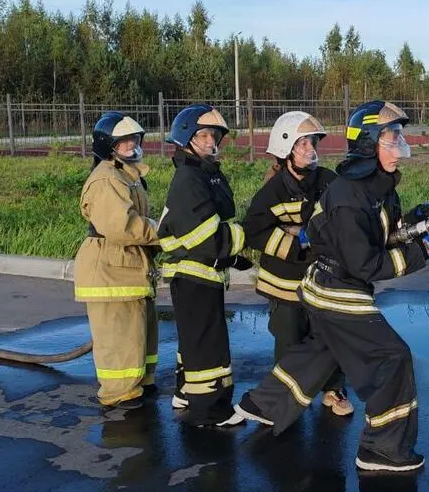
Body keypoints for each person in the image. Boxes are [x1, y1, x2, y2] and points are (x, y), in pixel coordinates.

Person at [234, 100, 429, 473]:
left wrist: (417, 222)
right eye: (391, 137)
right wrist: (420, 252)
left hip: (328, 284)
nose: (400, 146)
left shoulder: (376, 186)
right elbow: (365, 263)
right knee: (392, 357)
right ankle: (382, 449)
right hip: (337, 289)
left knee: (324, 349)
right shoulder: (349, 194)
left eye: (399, 136)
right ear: (368, 143)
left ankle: (262, 404)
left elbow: (378, 236)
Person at [241, 110, 352, 417]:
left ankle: (333, 389)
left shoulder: (329, 182)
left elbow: (342, 217)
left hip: (323, 277)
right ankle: (282, 398)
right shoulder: (273, 191)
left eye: (312, 142)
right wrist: (295, 242)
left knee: (329, 334)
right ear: (285, 149)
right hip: (284, 282)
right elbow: (254, 231)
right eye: (302, 144)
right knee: (289, 341)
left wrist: (305, 231)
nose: (310, 150)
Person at [157, 103, 252, 427]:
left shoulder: (202, 173)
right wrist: (245, 235)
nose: (212, 142)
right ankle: (212, 409)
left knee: (194, 340)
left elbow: (209, 224)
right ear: (186, 138)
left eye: (215, 136)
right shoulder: (189, 178)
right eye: (204, 135)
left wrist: (232, 258)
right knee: (207, 345)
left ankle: (185, 392)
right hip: (194, 273)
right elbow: (205, 236)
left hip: (200, 272)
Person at [73, 112, 160, 410]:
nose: (132, 147)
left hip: (127, 267)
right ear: (107, 146)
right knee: (120, 339)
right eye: (123, 142)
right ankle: (118, 396)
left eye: (134, 140)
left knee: (137, 335)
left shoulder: (125, 175)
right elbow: (122, 226)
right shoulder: (107, 178)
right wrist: (162, 232)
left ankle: (138, 385)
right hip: (111, 270)